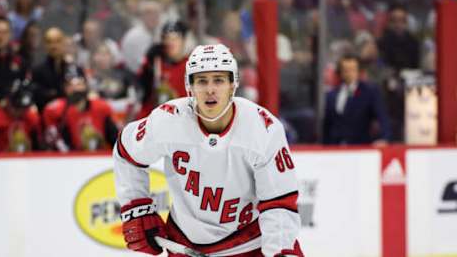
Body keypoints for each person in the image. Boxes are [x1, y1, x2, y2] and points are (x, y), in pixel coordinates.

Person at [113, 44, 304, 256]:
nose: (210, 89)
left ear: (233, 85)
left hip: (250, 245)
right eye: (201, 81)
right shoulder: (168, 120)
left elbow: (279, 203)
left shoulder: (262, 129)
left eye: (219, 80)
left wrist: (281, 251)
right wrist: (136, 208)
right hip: (185, 245)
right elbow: (126, 152)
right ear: (190, 87)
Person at [43, 65, 118, 152]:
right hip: (70, 160)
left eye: (79, 84)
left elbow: (115, 139)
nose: (75, 88)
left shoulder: (102, 107)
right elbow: (54, 143)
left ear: (85, 85)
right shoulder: (54, 110)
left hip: (99, 158)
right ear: (64, 88)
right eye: (70, 84)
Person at [323, 54, 391, 145]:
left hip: (360, 147)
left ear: (358, 71)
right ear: (340, 72)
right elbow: (327, 125)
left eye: (352, 70)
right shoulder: (331, 94)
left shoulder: (369, 92)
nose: (348, 73)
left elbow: (382, 117)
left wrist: (385, 138)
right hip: (335, 147)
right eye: (345, 70)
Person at [0, 79, 41, 152]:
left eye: (24, 108)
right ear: (8, 100)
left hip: (26, 159)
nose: (20, 112)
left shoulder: (31, 115)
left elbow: (38, 145)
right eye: (17, 107)